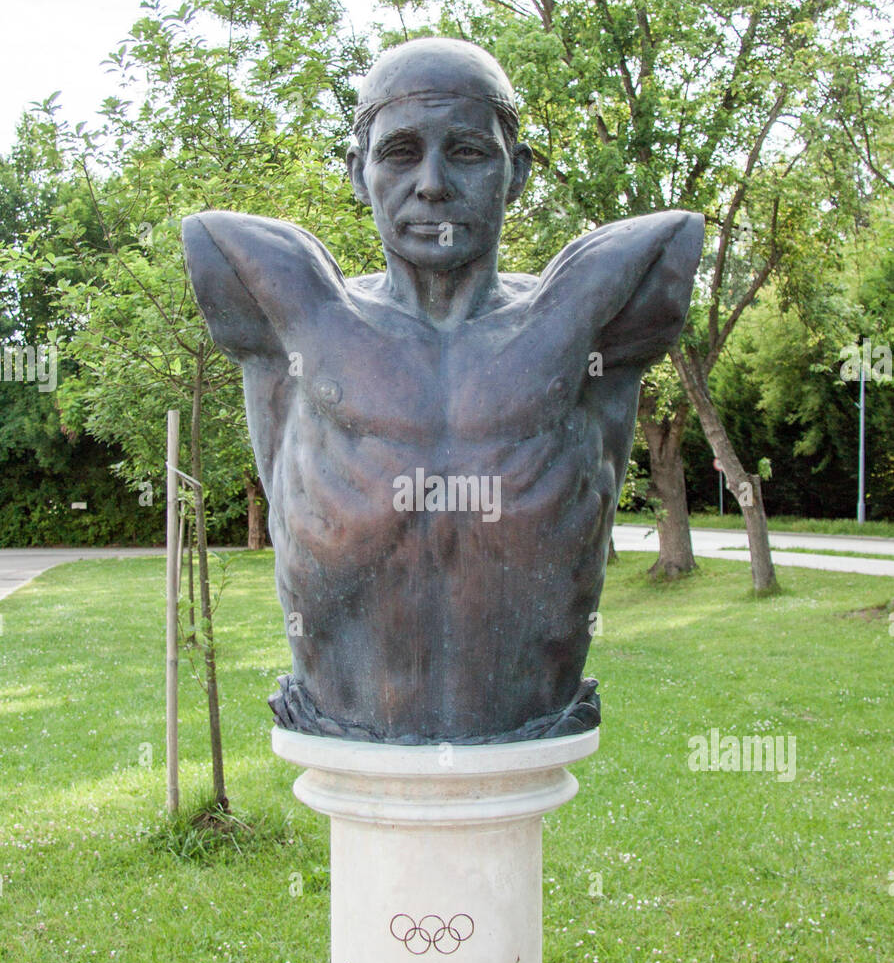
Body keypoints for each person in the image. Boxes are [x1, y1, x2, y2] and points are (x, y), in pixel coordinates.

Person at [182, 38, 704, 743]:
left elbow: (675, 236)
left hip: (528, 729)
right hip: (346, 732)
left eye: (466, 152)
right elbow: (206, 236)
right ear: (358, 173)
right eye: (399, 153)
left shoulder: (592, 305)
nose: (431, 184)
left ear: (515, 173)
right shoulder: (288, 303)